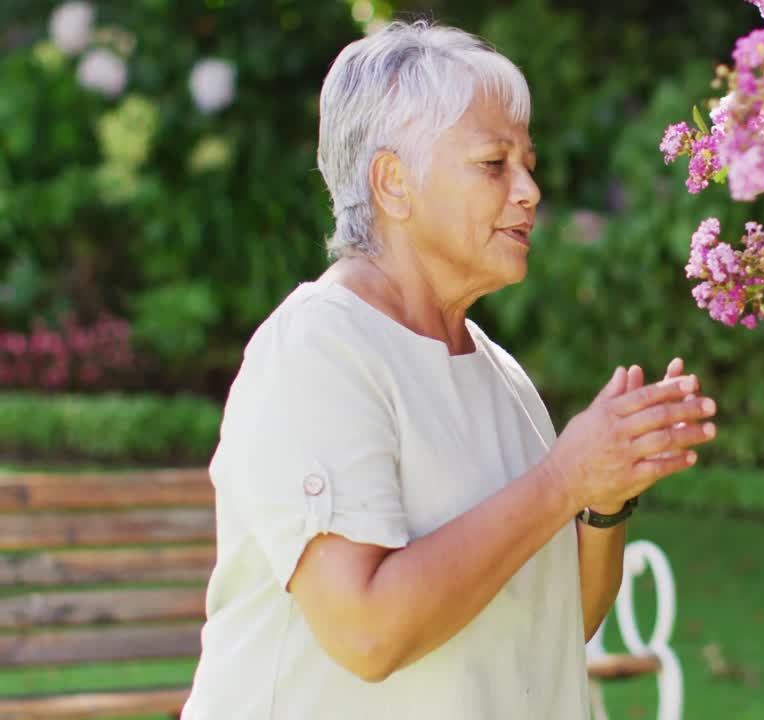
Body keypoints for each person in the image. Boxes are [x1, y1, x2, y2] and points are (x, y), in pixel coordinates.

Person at [181, 20, 718, 719]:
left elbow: (559, 623)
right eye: (494, 163)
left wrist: (603, 497)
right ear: (394, 184)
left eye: (528, 162)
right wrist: (563, 478)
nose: (529, 190)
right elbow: (367, 631)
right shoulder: (318, 350)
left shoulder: (498, 373)